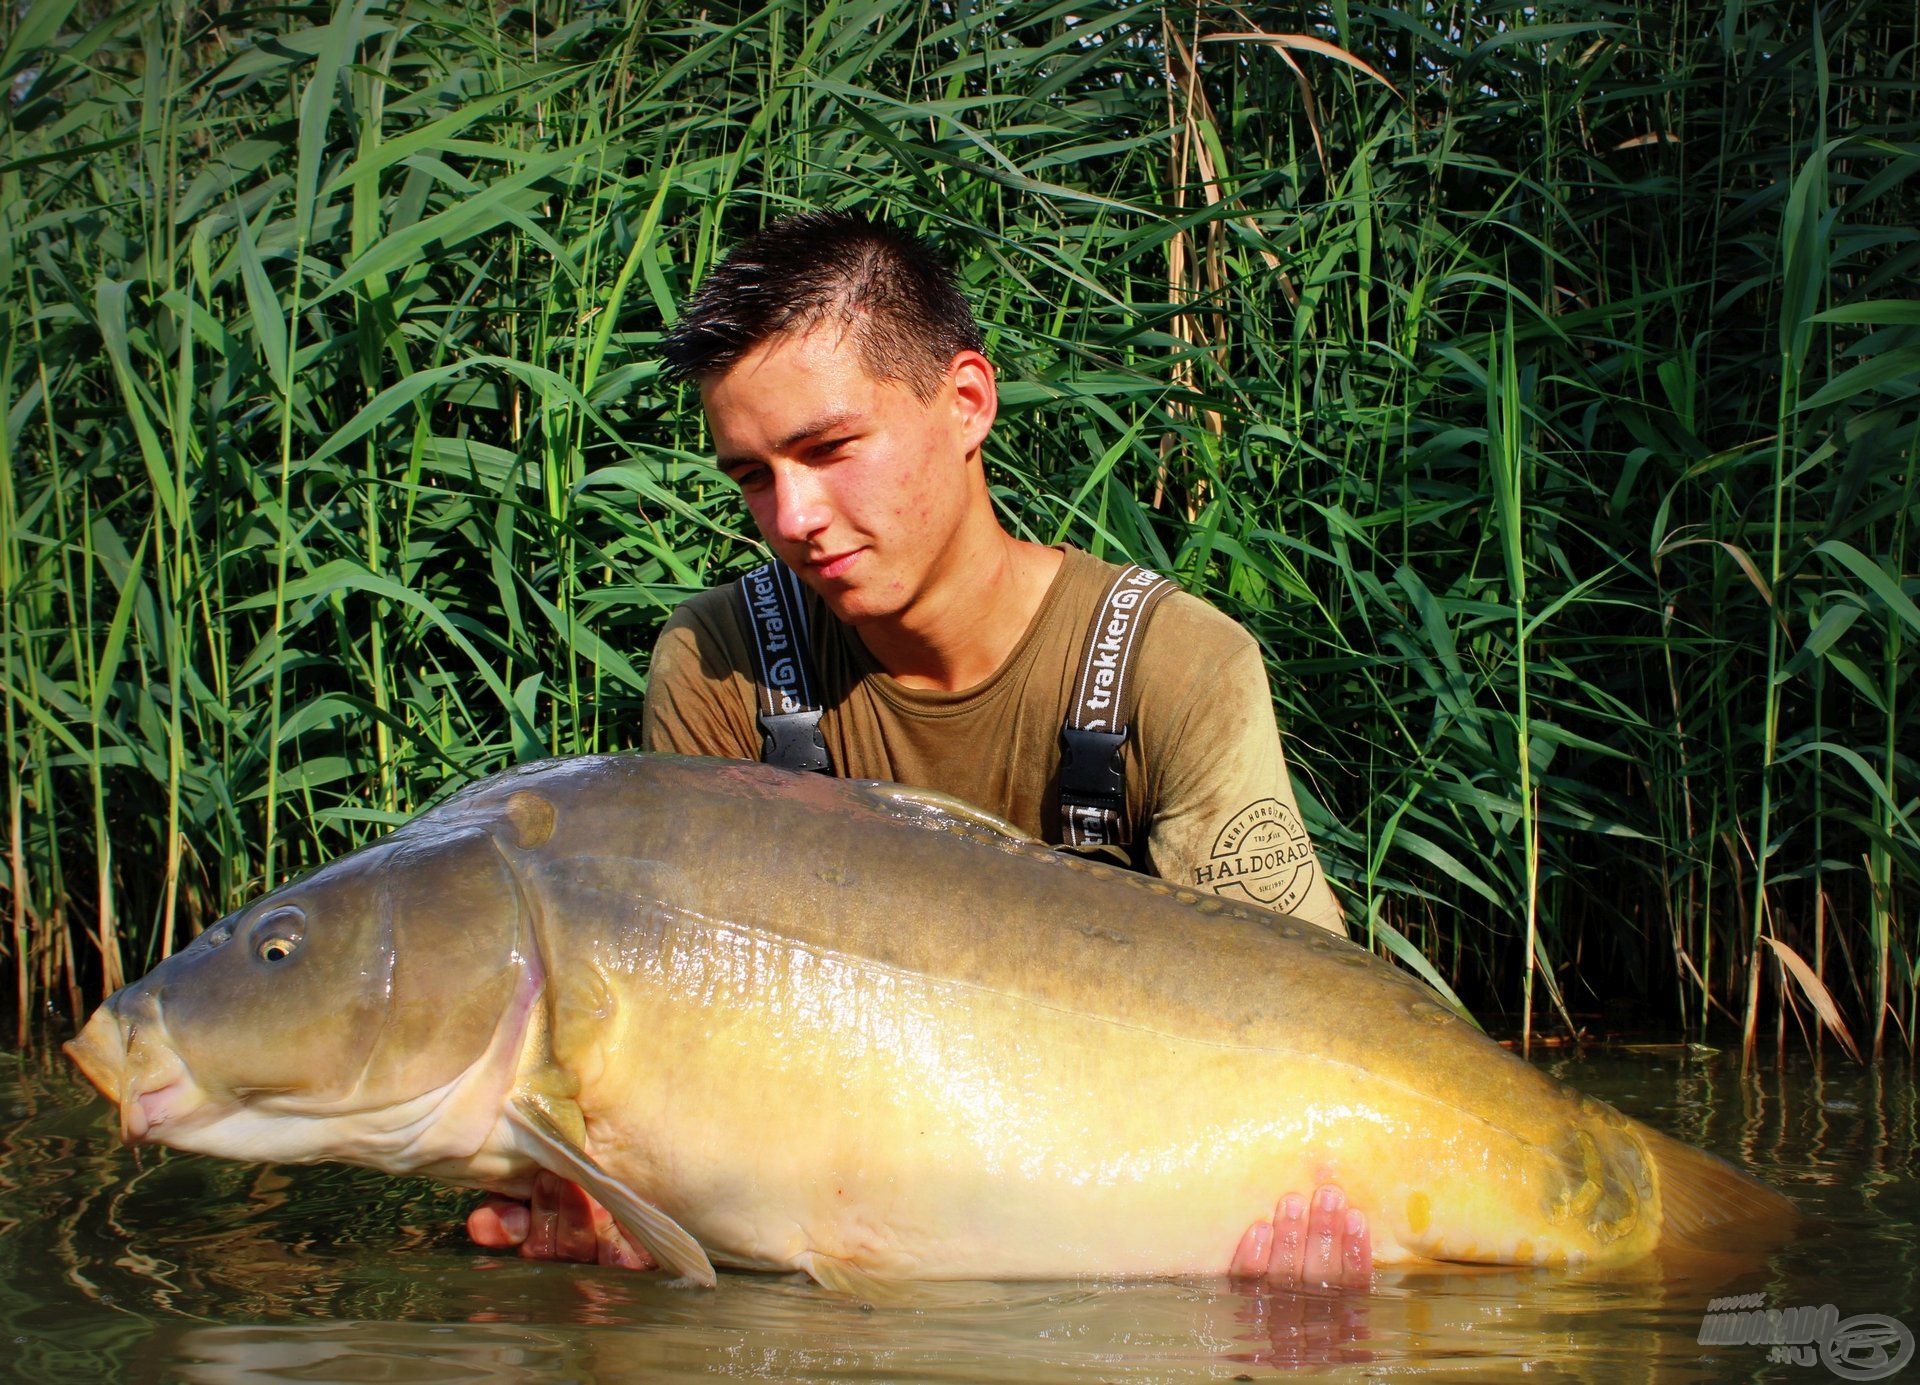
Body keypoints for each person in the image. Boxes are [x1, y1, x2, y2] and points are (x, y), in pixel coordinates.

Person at [468, 212, 1372, 1288]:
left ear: (967, 402)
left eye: (828, 448)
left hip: (1139, 1201)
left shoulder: (1174, 664)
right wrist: (632, 1209)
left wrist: (1319, 1236)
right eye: (753, 475)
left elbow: (1319, 1021)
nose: (794, 516)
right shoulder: (719, 666)